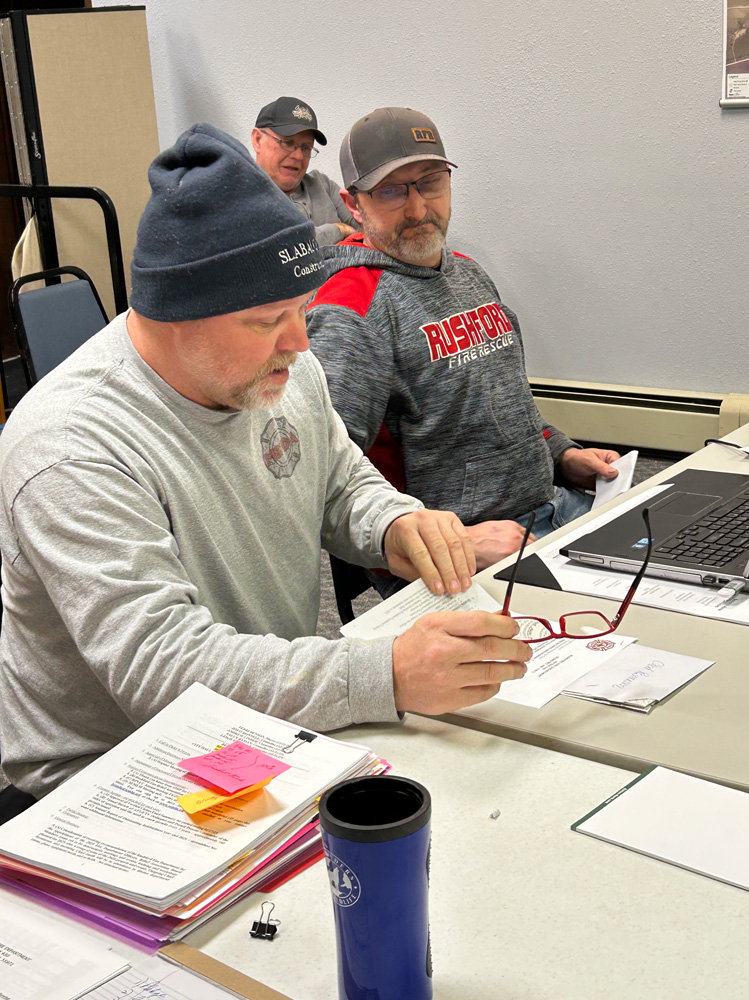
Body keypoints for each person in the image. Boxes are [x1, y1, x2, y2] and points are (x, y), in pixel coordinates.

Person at [0, 123, 531, 804]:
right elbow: (161, 668)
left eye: (300, 310)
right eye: (265, 321)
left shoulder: (282, 368)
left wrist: (396, 524)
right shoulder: (71, 448)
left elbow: (338, 478)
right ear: (171, 317)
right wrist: (385, 674)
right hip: (106, 780)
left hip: (255, 734)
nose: (299, 341)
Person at [306, 107, 620, 585]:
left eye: (430, 182)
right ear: (354, 205)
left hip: (551, 512)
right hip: (464, 561)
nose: (417, 209)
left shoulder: (466, 273)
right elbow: (323, 477)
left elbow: (504, 409)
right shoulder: (351, 309)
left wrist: (561, 454)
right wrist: (456, 545)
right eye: (391, 191)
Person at [252, 96, 360, 248]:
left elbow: (368, 228)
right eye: (288, 143)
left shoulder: (322, 184)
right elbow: (282, 248)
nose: (298, 156)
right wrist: (339, 230)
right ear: (257, 140)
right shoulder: (242, 194)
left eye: (306, 148)